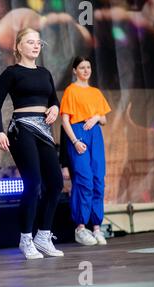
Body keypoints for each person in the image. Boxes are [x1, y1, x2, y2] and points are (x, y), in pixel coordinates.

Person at [0, 28, 64, 260]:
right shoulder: (11, 73)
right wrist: (0, 132)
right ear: (18, 46)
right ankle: (26, 238)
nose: (35, 46)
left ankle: (43, 235)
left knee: (56, 183)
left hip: (44, 129)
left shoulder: (45, 73)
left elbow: (53, 99)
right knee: (33, 184)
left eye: (38, 42)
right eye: (30, 42)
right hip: (22, 129)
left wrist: (55, 107)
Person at [60, 56, 111, 246]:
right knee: (84, 181)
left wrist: (96, 117)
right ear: (75, 70)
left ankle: (96, 226)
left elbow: (104, 119)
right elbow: (65, 120)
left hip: (95, 133)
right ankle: (80, 227)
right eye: (82, 67)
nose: (86, 70)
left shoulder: (96, 92)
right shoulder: (70, 91)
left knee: (98, 180)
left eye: (88, 67)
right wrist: (74, 141)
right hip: (79, 134)